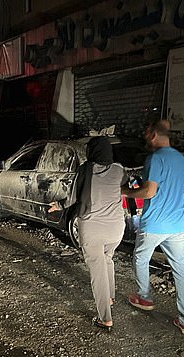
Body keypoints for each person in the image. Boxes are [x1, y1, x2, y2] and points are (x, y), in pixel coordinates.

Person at [122, 120, 184, 336]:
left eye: (146, 133)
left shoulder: (154, 158)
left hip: (155, 223)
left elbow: (148, 192)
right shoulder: (181, 159)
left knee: (141, 259)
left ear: (154, 135)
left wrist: (125, 192)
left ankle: (144, 297)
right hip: (178, 224)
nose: (144, 137)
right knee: (182, 270)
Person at [48, 137, 126, 332]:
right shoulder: (119, 169)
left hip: (93, 228)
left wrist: (58, 205)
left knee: (97, 271)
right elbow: (123, 188)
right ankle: (109, 297)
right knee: (108, 258)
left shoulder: (86, 169)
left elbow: (73, 197)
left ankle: (105, 318)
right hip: (116, 228)